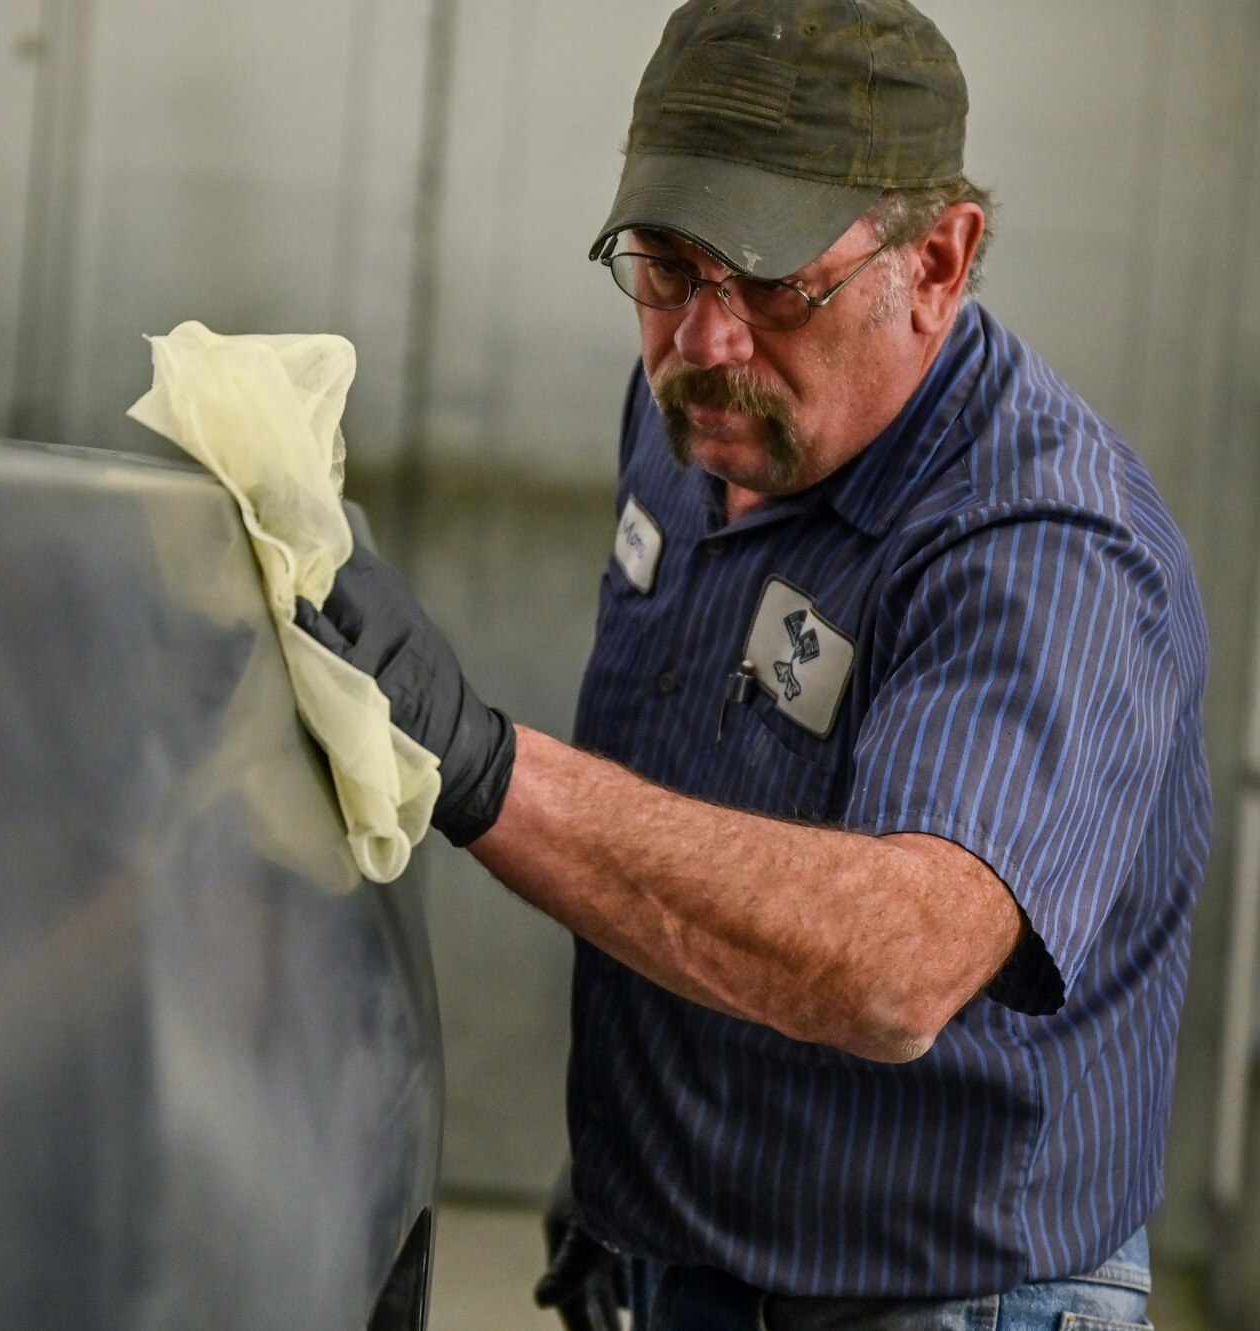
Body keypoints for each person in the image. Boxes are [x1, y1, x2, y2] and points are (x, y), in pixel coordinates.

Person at [293, 1, 1210, 1326]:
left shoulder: (1047, 548)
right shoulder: (696, 421)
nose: (708, 347)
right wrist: (643, 1157)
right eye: (666, 269)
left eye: (778, 286)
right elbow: (710, 790)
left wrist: (490, 772)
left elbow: (897, 964)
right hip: (692, 1253)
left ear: (940, 261)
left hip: (941, 1298)